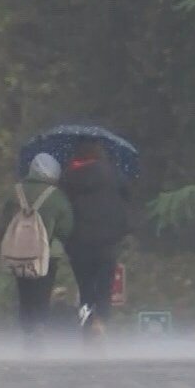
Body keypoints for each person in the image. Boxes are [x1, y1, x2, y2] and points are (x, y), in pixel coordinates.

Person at [1, 153, 74, 345]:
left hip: (18, 253)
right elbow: (66, 228)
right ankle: (39, 327)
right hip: (47, 255)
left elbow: (3, 224)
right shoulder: (57, 197)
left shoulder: (15, 192)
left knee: (24, 292)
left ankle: (27, 331)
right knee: (42, 291)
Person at [62, 140, 130, 341]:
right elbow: (127, 198)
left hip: (79, 243)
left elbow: (64, 209)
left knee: (85, 288)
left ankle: (87, 326)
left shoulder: (68, 178)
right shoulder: (114, 174)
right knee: (104, 286)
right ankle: (101, 322)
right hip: (108, 240)